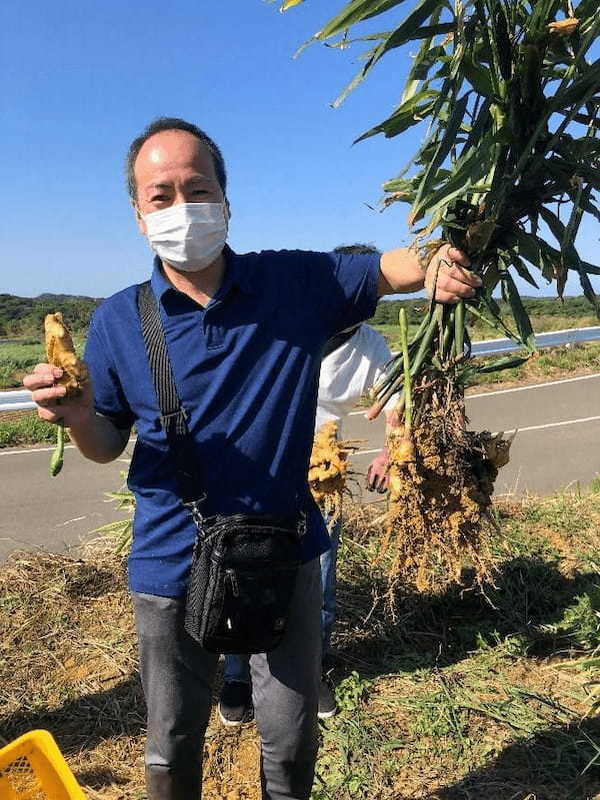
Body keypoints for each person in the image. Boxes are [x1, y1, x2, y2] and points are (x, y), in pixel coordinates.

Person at [23, 117, 480, 800]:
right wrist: (81, 415)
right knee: (172, 737)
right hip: (169, 560)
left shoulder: (293, 283)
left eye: (196, 188)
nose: (182, 208)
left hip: (287, 550)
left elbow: (388, 270)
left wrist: (439, 260)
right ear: (138, 214)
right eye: (161, 195)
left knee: (292, 734)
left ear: (226, 200)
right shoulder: (120, 320)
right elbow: (107, 443)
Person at [218, 244, 400, 725]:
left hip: (324, 471)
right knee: (243, 569)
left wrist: (389, 449)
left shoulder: (371, 346)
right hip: (260, 462)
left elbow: (394, 398)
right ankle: (237, 672)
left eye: (371, 291)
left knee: (318, 578)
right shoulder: (286, 321)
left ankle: (309, 668)